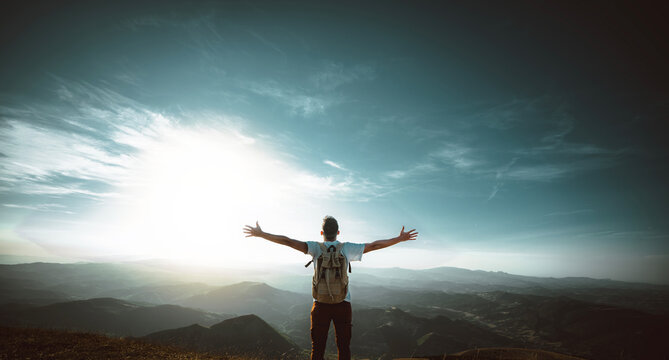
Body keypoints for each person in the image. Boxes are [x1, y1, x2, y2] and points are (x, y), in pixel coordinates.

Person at [243, 215, 418, 360]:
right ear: (338, 232)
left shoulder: (314, 248)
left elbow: (288, 241)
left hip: (320, 304)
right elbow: (375, 245)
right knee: (344, 347)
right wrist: (399, 239)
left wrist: (262, 234)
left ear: (322, 232)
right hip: (343, 304)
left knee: (317, 348)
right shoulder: (347, 248)